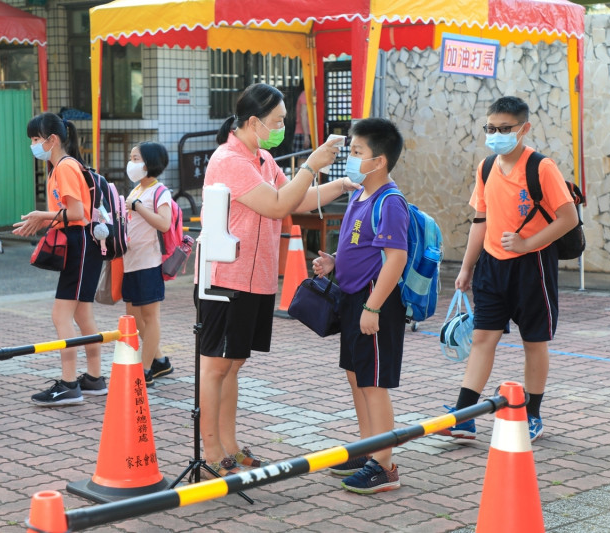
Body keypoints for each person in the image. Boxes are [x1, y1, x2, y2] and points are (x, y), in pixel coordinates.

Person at [198, 82, 354, 476]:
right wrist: (310, 165)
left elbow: (297, 199)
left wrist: (343, 185)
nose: (284, 126)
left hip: (255, 279)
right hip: (227, 278)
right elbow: (277, 205)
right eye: (278, 121)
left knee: (233, 364)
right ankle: (212, 452)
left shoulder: (263, 158)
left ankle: (230, 445)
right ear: (253, 121)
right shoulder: (229, 160)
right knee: (216, 365)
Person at [438, 96, 578, 442]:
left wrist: (528, 244)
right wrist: (468, 267)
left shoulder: (541, 167)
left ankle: (532, 414)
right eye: (491, 128)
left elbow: (568, 218)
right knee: (483, 337)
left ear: (524, 129)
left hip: (533, 267)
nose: (496, 135)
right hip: (491, 267)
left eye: (504, 129)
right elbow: (480, 220)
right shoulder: (486, 167)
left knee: (534, 341)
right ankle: (464, 416)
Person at [312, 117, 408, 495]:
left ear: (379, 161)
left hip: (374, 304)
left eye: (356, 152)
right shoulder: (359, 195)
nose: (350, 159)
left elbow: (395, 259)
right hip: (353, 299)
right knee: (356, 376)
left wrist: (372, 309)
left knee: (373, 383)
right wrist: (335, 261)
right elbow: (362, 246)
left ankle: (384, 465)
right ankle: (368, 448)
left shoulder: (391, 201)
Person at [12, 112, 108, 405]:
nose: (33, 145)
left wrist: (43, 216)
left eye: (36, 139)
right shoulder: (65, 166)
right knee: (81, 314)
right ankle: (93, 378)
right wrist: (45, 219)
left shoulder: (65, 168)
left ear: (52, 140)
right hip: (85, 245)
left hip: (80, 244)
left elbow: (77, 214)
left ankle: (69, 384)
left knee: (61, 315)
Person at [123, 141, 174, 386]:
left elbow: (164, 223)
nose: (131, 164)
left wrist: (138, 208)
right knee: (133, 317)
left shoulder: (159, 191)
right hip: (130, 261)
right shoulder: (136, 190)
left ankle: (145, 370)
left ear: (149, 163)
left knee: (149, 316)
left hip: (149, 262)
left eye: (135, 159)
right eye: (131, 158)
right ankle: (159, 360)